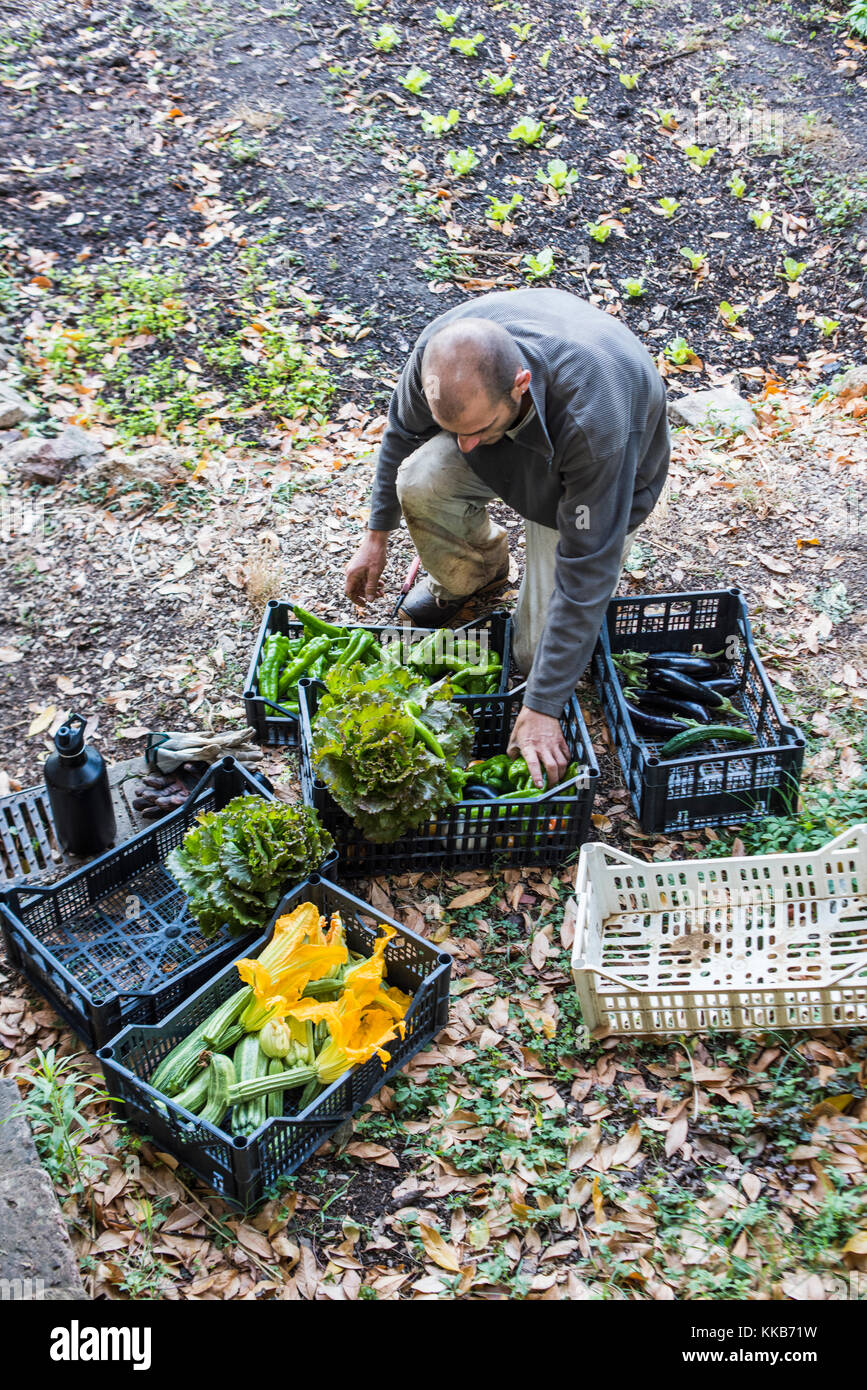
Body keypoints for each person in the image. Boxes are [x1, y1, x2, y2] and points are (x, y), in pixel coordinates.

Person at [345, 288, 670, 789]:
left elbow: (587, 573)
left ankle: (535, 658)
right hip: (515, 449)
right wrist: (377, 534)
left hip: (587, 480)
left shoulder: (594, 423)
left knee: (532, 655)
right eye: (453, 430)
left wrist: (541, 706)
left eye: (476, 428)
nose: (463, 444)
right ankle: (475, 573)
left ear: (520, 384)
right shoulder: (440, 358)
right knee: (420, 477)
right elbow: (401, 435)